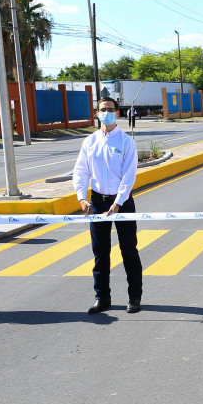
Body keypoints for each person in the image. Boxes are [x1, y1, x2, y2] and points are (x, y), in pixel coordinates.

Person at [73, 96, 143, 314]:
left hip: (123, 203)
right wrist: (81, 198)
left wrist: (118, 202)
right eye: (102, 110)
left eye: (110, 110)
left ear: (118, 113)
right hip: (97, 202)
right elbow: (81, 171)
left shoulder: (126, 142)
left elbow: (129, 176)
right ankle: (102, 297)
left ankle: (134, 298)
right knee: (100, 252)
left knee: (129, 251)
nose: (106, 113)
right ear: (97, 113)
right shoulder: (89, 141)